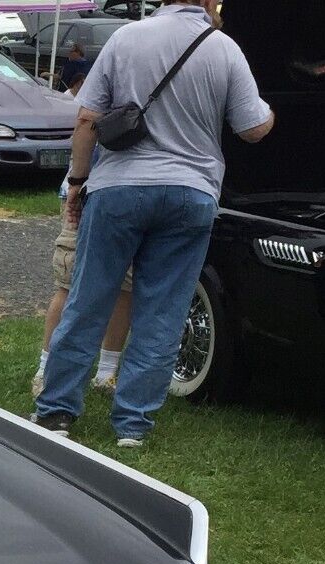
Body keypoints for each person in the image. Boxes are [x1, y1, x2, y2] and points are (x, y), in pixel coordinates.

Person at [33, 0, 273, 446]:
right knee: (162, 312)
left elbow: (86, 118)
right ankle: (133, 425)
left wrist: (78, 182)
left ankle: (56, 411)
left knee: (87, 299)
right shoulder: (223, 48)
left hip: (119, 187)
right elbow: (253, 128)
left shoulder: (126, 38)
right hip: (191, 191)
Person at [34, 148, 133, 399]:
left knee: (126, 284)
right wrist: (76, 184)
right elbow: (86, 122)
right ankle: (46, 370)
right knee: (71, 282)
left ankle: (106, 374)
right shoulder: (99, 107)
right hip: (88, 191)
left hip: (134, 193)